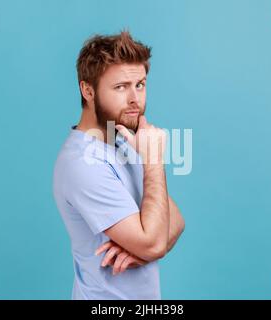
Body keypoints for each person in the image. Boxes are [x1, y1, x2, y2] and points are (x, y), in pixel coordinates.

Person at [53, 31, 185, 300]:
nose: (135, 99)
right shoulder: (83, 163)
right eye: (121, 87)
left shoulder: (122, 141)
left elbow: (176, 222)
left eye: (140, 84)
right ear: (87, 90)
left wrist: (140, 251)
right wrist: (154, 161)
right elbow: (156, 240)